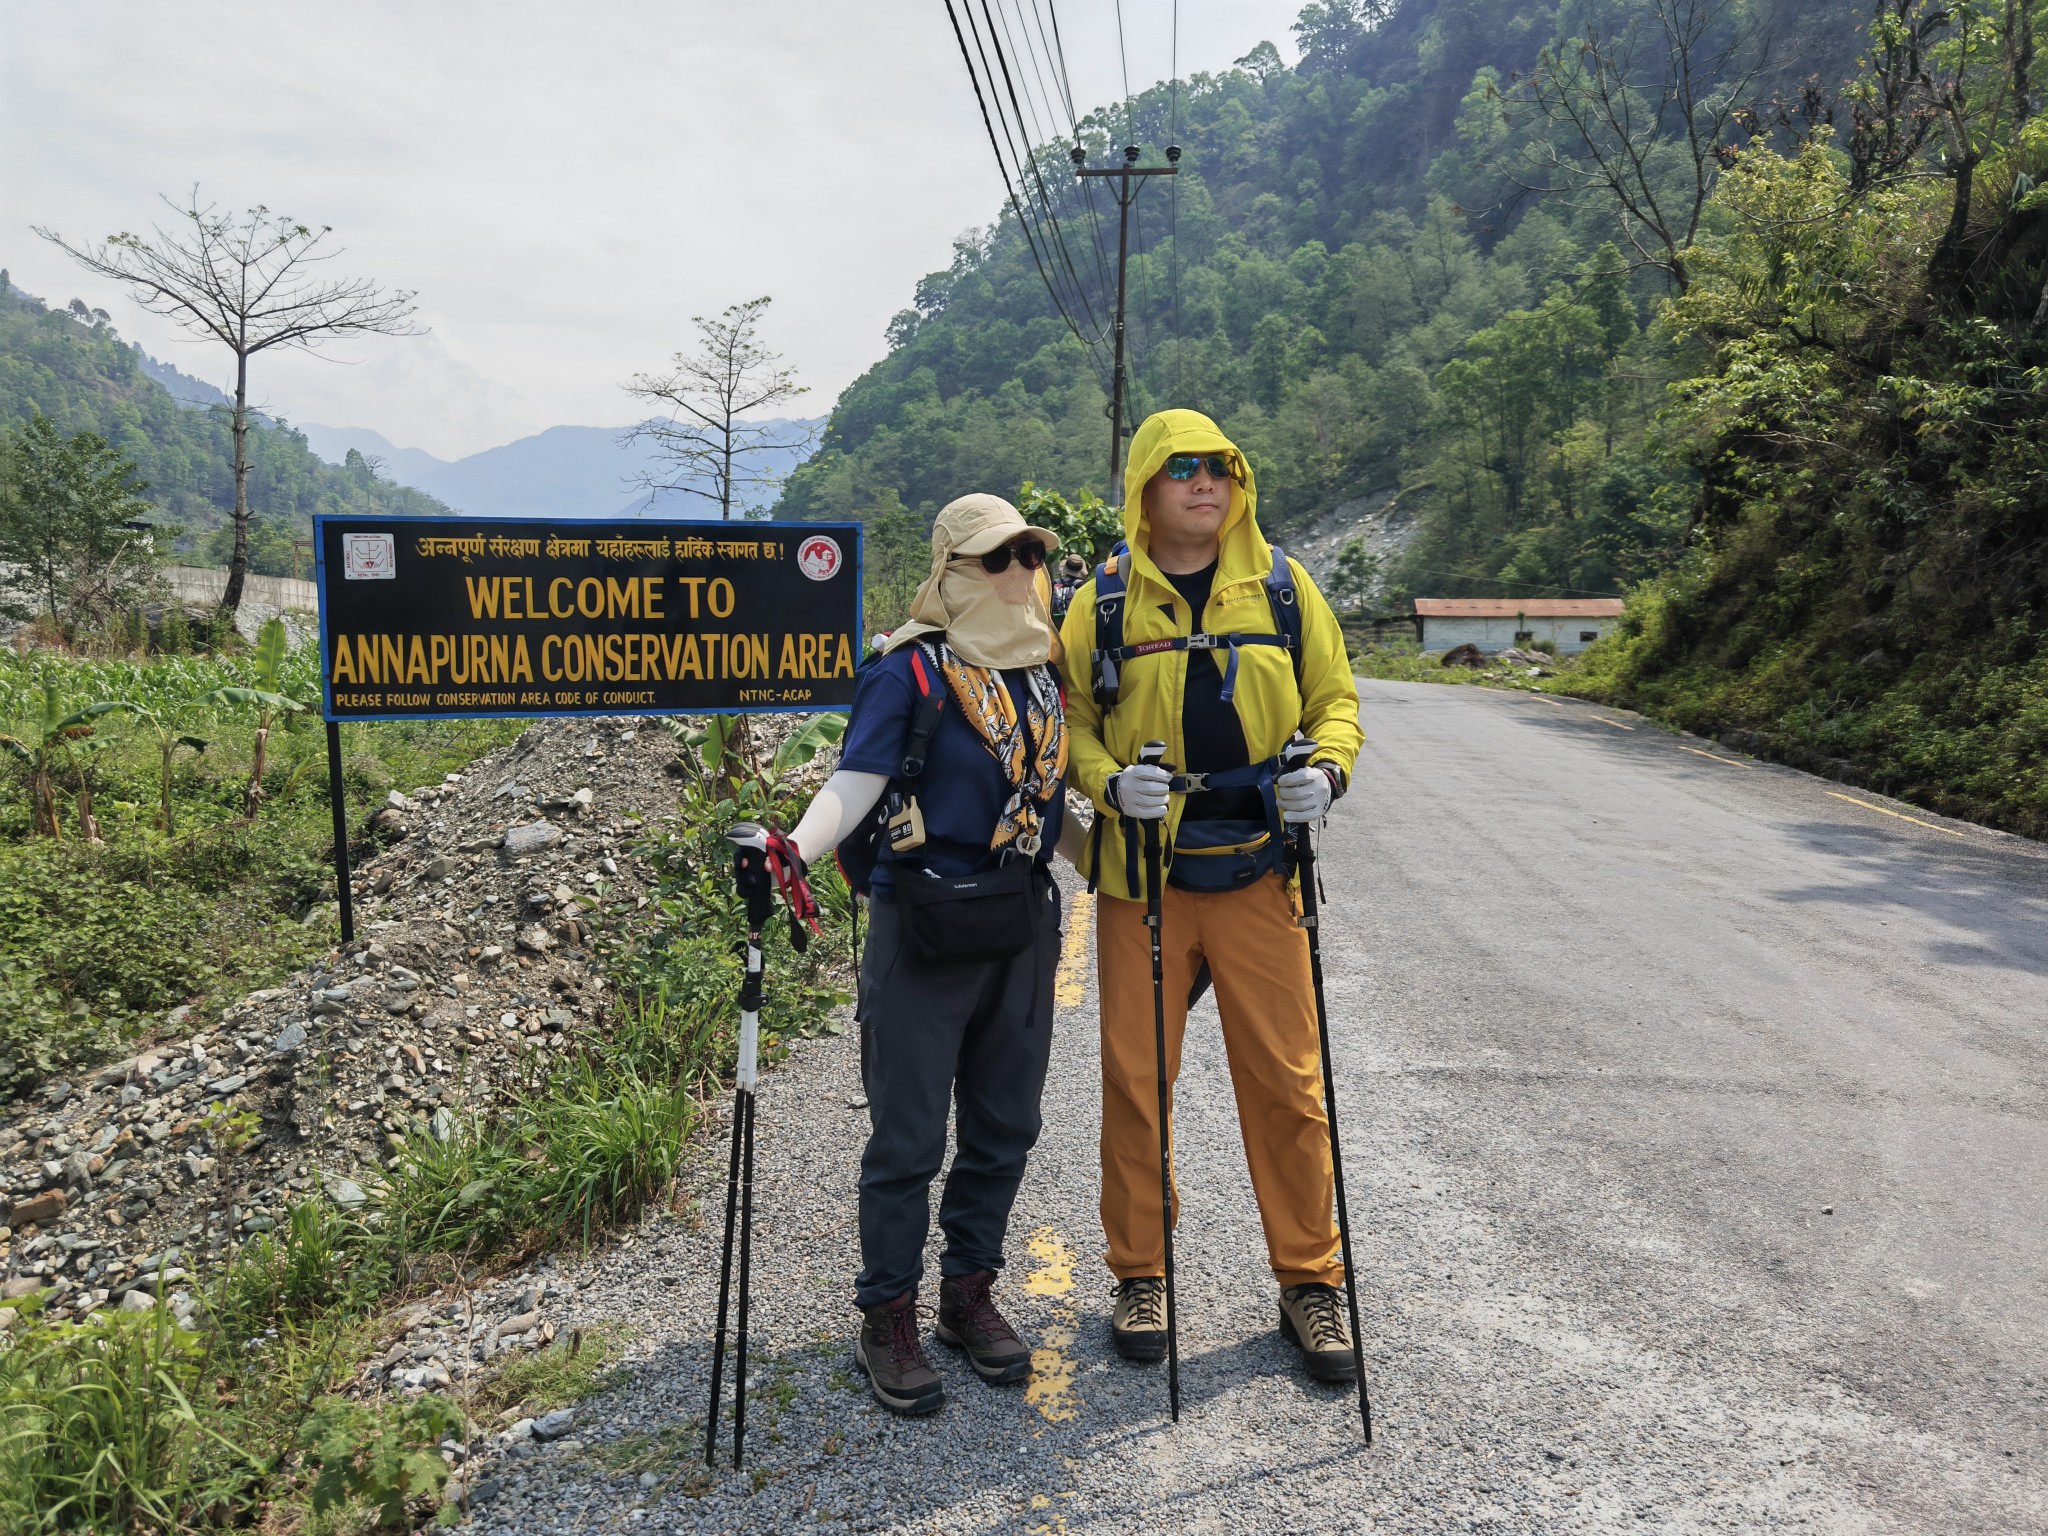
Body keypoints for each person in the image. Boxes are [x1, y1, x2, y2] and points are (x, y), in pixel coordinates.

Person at [735, 493, 1069, 1417]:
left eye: (1027, 558)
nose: (1016, 575)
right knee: (909, 1136)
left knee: (1007, 1123)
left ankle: (969, 1292)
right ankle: (887, 1312)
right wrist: (791, 850)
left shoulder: (1044, 675)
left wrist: (1128, 836)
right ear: (952, 570)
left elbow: (1049, 803)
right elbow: (856, 781)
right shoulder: (910, 673)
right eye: (996, 559)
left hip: (1020, 922)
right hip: (922, 923)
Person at [1056, 409, 1366, 1383]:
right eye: (1180, 468)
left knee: (1288, 1084)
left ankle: (1310, 1282)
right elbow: (1065, 716)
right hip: (1141, 881)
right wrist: (1107, 783)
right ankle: (1139, 1273)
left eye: (1221, 467)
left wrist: (1325, 771)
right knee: (1136, 1082)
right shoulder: (1102, 602)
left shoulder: (1280, 587)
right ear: (1145, 485)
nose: (1204, 482)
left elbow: (1336, 702)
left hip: (1257, 868)